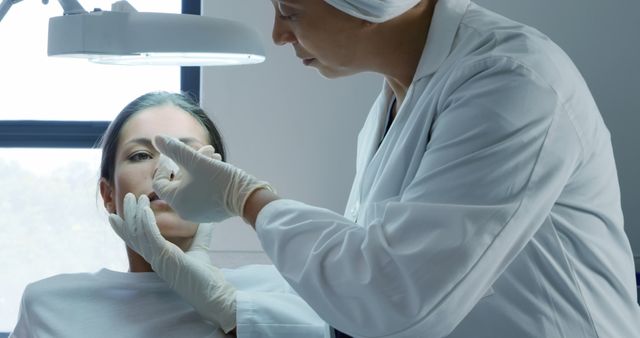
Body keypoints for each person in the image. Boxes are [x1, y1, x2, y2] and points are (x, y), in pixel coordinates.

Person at [111, 1, 640, 337]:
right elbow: (361, 287)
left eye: (290, 11)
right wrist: (232, 311)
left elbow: (392, 299)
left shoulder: (510, 83)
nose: (276, 34)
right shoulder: (400, 97)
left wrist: (246, 200)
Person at [10, 92, 325, 338]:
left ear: (220, 183)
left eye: (184, 154)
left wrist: (230, 309)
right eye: (141, 155)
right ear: (108, 195)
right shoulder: (50, 304)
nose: (164, 170)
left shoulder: (280, 290)